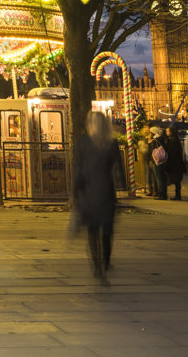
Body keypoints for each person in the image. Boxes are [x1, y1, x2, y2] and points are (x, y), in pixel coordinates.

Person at [72, 110, 125, 285]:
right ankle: (104, 263)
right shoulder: (111, 143)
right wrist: (123, 184)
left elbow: (79, 168)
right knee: (106, 232)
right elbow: (119, 167)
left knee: (94, 232)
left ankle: (98, 267)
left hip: (90, 190)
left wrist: (74, 192)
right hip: (105, 191)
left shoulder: (84, 142)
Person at [163, 124, 186, 200]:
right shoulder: (175, 140)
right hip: (177, 163)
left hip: (175, 164)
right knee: (177, 180)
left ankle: (178, 195)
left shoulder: (173, 141)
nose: (166, 132)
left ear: (170, 132)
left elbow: (172, 153)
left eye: (167, 131)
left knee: (176, 180)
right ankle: (177, 195)